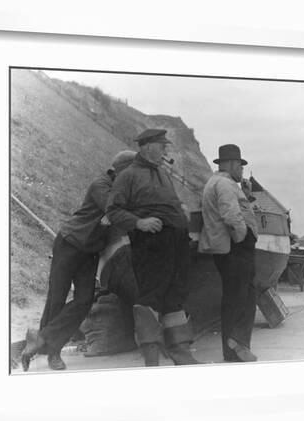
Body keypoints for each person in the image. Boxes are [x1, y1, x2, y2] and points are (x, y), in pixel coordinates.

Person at [21, 150, 137, 371]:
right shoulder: (100, 185)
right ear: (122, 170)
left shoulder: (119, 188)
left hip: (90, 250)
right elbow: (115, 211)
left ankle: (40, 338)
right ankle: (52, 353)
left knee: (84, 301)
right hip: (70, 244)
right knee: (57, 297)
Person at [106, 128, 199, 366]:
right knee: (151, 297)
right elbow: (113, 210)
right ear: (147, 147)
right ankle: (151, 357)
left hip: (176, 241)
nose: (166, 149)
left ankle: (180, 351)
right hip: (151, 244)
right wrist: (139, 222)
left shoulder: (162, 173)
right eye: (162, 145)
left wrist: (181, 209)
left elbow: (169, 200)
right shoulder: (128, 175)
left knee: (176, 295)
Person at [199, 144, 259, 363]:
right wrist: (243, 236)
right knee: (243, 296)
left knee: (236, 297)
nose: (242, 170)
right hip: (235, 248)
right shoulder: (225, 184)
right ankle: (236, 342)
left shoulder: (215, 182)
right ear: (232, 164)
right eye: (240, 166)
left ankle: (233, 348)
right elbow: (231, 216)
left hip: (226, 247)